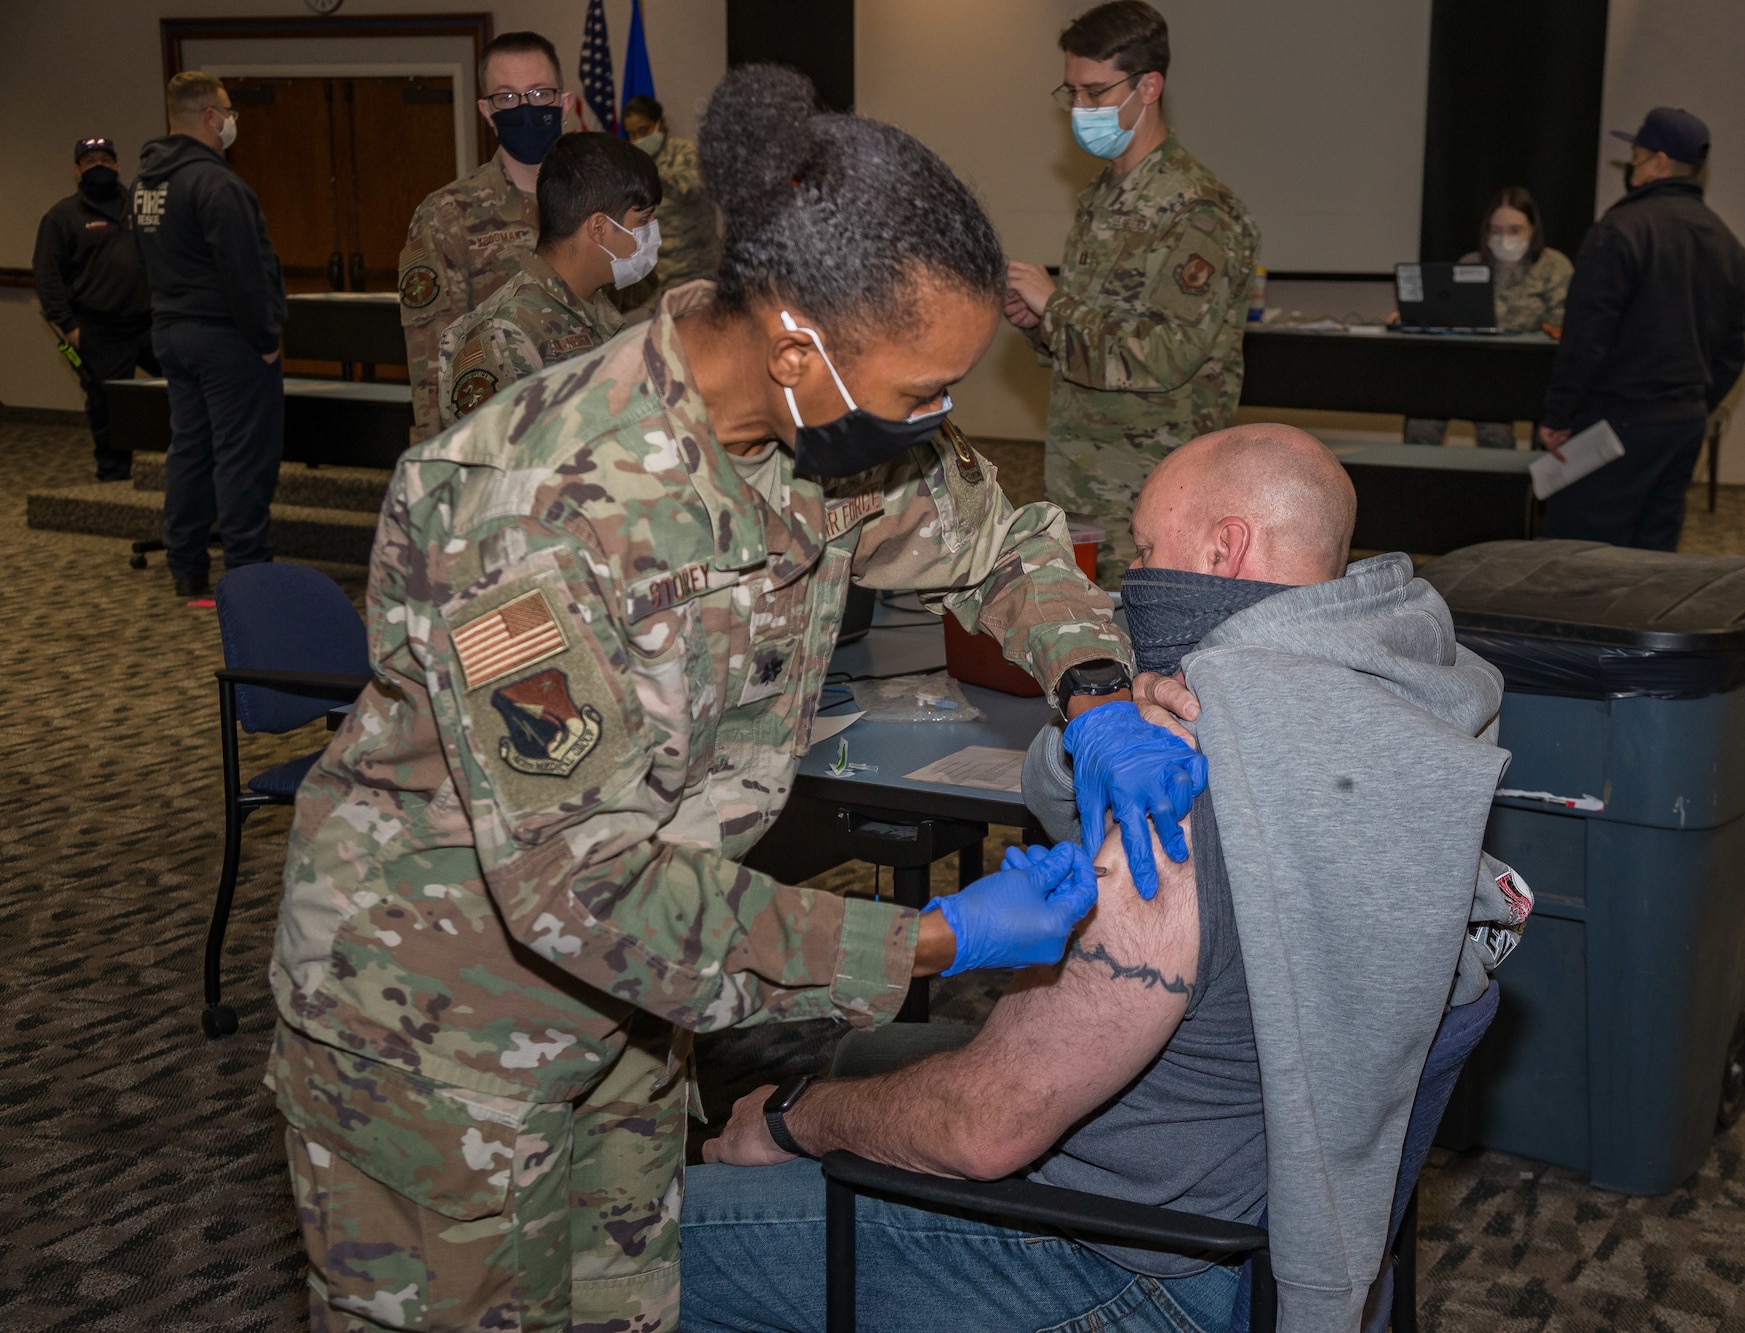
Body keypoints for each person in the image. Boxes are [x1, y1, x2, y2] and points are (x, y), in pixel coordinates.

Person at [267, 65, 1208, 1332]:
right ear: (794, 344)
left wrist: (1090, 689)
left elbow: (1007, 542)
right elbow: (578, 884)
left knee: (628, 1307)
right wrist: (928, 942)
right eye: (917, 392)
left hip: (646, 1004)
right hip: (440, 1026)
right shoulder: (531, 503)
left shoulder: (820, 432)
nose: (936, 419)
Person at [682, 425, 1530, 1333]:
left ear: (1222, 549)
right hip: (1238, 1199)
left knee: (636, 1246)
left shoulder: (1183, 795)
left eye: (1148, 548)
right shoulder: (1389, 696)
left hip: (1122, 1263)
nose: (1133, 572)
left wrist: (791, 1119)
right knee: (869, 1063)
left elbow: (984, 1127)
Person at [1003, 0, 1260, 585]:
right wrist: (1037, 321)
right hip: (1080, 479)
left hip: (1153, 496)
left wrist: (1056, 303)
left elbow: (1166, 355)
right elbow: (1096, 336)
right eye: (1070, 92)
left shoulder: (1199, 209)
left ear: (1149, 87)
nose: (1079, 108)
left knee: (1148, 663)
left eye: (1095, 93)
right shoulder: (1102, 196)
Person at [1537, 107, 1745, 550]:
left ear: (1657, 162)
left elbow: (1586, 338)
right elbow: (1733, 354)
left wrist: (1559, 415)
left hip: (1615, 424)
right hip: (1683, 427)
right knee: (1654, 559)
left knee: (1579, 557)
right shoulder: (1732, 247)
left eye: (1634, 157)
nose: (1629, 169)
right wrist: (1690, 405)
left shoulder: (1620, 232)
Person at [132, 73, 285, 598]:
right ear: (210, 118)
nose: (231, 120)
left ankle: (188, 567)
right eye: (227, 111)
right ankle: (248, 573)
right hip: (226, 339)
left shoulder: (148, 183)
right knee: (242, 456)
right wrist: (266, 335)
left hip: (172, 333)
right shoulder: (217, 184)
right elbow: (244, 271)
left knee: (191, 450)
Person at [398, 31, 584, 440]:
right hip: (500, 442)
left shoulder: (600, 204)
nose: (525, 108)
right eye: (508, 98)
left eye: (539, 94)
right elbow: (433, 365)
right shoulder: (446, 216)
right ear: (486, 110)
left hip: (592, 435)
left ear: (564, 104)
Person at [433, 133, 658, 424]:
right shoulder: (505, 336)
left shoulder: (595, 312)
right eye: (643, 221)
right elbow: (498, 464)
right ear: (599, 228)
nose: (654, 233)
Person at [1403, 186, 1572, 449]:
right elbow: (1449, 318)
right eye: (1495, 230)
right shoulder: (1470, 263)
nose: (1504, 238)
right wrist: (1417, 314)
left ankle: (1502, 488)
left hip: (1523, 371)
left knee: (1496, 433)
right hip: (1471, 367)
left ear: (1532, 229)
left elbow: (1560, 327)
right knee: (1421, 423)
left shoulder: (1553, 266)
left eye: (1515, 230)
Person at [34, 136, 157, 482]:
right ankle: (114, 477)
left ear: (118, 165)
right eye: (90, 162)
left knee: (186, 386)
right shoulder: (61, 217)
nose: (99, 166)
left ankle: (184, 470)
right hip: (98, 330)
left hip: (150, 323)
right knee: (109, 408)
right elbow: (46, 276)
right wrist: (68, 326)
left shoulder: (139, 204)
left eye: (106, 160)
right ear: (77, 170)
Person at [614, 93, 722, 314]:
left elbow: (692, 186)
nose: (638, 139)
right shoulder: (633, 162)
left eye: (643, 131)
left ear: (660, 124)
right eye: (632, 134)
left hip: (693, 273)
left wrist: (651, 172)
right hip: (655, 278)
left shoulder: (685, 152)